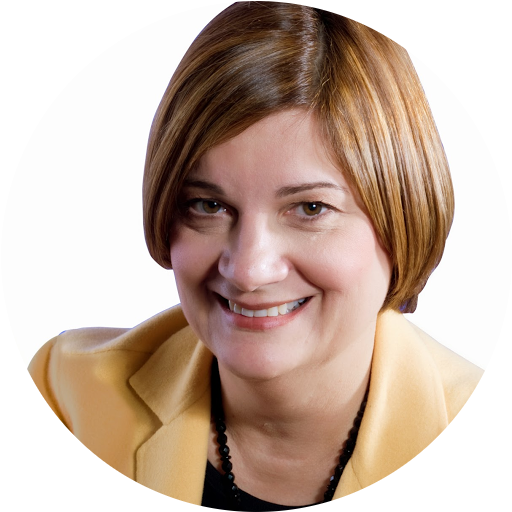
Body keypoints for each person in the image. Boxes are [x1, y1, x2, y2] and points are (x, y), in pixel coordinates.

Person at [28, 2, 484, 508]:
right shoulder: (69, 397)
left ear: (403, 218)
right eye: (208, 205)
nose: (248, 270)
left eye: (310, 208)